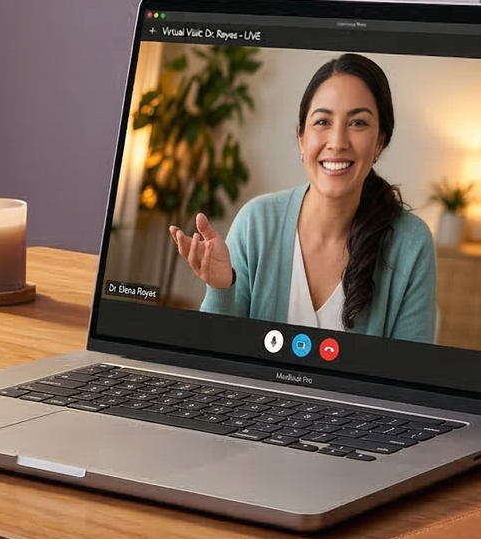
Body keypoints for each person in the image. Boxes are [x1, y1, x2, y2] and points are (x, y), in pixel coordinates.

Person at [169, 53, 437, 343]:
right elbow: (213, 356)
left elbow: (407, 378)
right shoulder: (257, 223)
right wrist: (221, 289)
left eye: (358, 123)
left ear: (380, 142)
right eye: (322, 121)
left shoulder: (411, 244)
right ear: (301, 138)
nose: (337, 142)